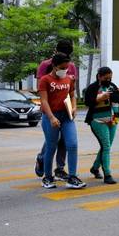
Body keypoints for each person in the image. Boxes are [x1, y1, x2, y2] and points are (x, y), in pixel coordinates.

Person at [38, 52, 85, 189]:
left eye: (67, 68)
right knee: (51, 147)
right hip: (50, 117)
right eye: (63, 67)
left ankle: (72, 177)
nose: (65, 70)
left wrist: (74, 107)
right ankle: (47, 177)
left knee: (72, 144)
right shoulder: (45, 80)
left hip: (67, 117)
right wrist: (52, 117)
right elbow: (44, 101)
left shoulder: (68, 79)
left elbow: (72, 94)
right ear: (54, 66)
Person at [35, 40, 77, 180]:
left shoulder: (70, 65)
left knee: (67, 140)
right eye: (62, 55)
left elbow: (72, 89)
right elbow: (41, 89)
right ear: (56, 51)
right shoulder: (45, 65)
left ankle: (60, 168)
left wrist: (73, 106)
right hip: (50, 110)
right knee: (53, 140)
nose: (66, 66)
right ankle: (42, 158)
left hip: (65, 109)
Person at [84, 67, 119, 184]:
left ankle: (95, 168)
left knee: (105, 147)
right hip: (98, 120)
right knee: (106, 146)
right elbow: (88, 102)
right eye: (106, 78)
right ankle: (107, 174)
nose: (108, 79)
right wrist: (100, 98)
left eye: (110, 77)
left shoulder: (112, 86)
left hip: (114, 120)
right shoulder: (93, 88)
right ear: (99, 76)